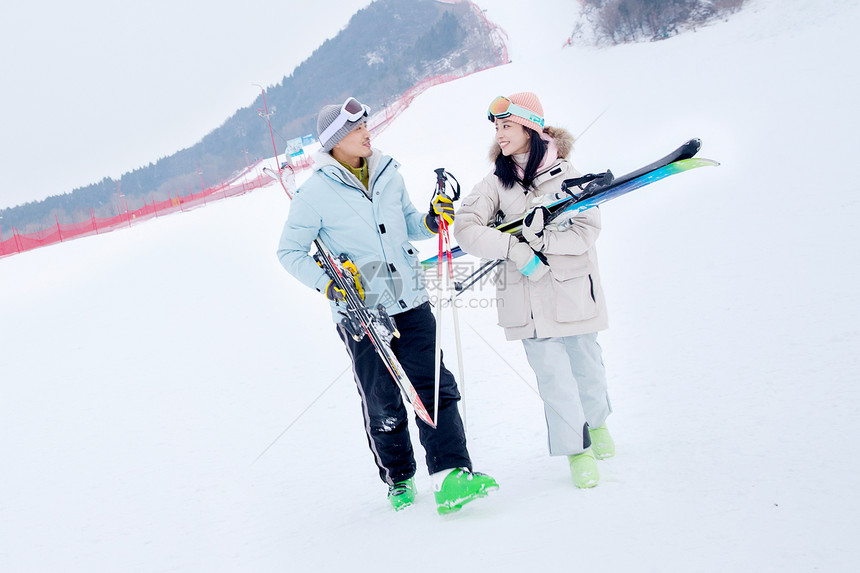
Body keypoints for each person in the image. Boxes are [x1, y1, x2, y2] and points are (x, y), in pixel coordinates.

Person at [277, 96, 497, 514]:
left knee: (434, 384)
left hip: (410, 300)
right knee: (383, 400)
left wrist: (431, 221)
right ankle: (398, 477)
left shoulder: (387, 172)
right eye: (356, 129)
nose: (367, 132)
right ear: (336, 140)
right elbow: (290, 252)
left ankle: (452, 476)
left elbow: (406, 223)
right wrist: (331, 286)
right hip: (363, 315)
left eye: (366, 126)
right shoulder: (314, 194)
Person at [453, 92, 615, 488]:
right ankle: (578, 451)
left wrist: (543, 241)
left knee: (587, 370)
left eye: (506, 126)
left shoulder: (567, 173)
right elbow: (466, 228)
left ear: (530, 128)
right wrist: (514, 248)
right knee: (555, 381)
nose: (499, 134)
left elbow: (586, 232)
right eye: (496, 127)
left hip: (572, 292)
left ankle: (598, 425)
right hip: (525, 301)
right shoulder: (494, 182)